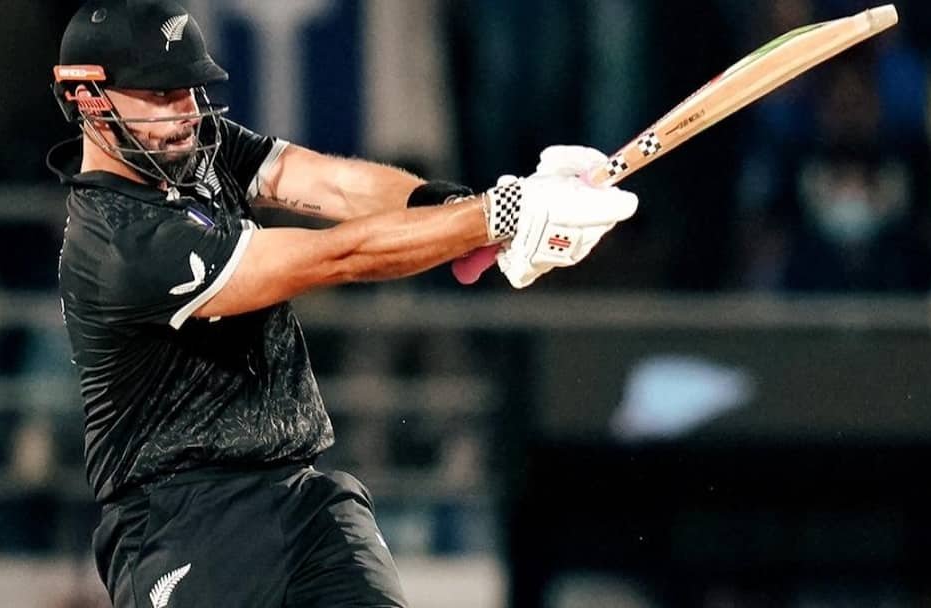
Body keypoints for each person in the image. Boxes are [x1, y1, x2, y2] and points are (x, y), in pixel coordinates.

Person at [47, 1, 638, 606]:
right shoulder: (119, 243)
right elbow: (336, 256)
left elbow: (332, 184)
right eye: (161, 94)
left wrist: (469, 210)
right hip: (181, 523)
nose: (187, 112)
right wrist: (498, 215)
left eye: (190, 90)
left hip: (302, 497)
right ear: (89, 99)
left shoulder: (199, 151)